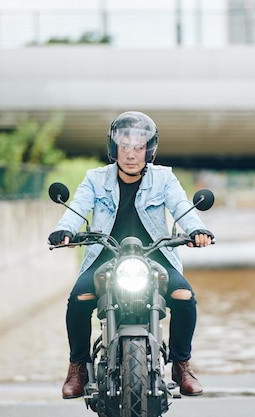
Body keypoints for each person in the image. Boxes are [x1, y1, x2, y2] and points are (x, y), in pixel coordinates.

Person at [48, 111, 214, 399]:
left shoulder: (164, 178)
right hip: (105, 257)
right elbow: (77, 209)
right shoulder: (95, 179)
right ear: (114, 148)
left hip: (155, 257)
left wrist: (198, 231)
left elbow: (181, 206)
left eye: (138, 148)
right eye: (124, 147)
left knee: (185, 297)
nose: (131, 154)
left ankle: (181, 365)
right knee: (78, 298)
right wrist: (63, 231)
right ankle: (77, 367)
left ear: (148, 150)